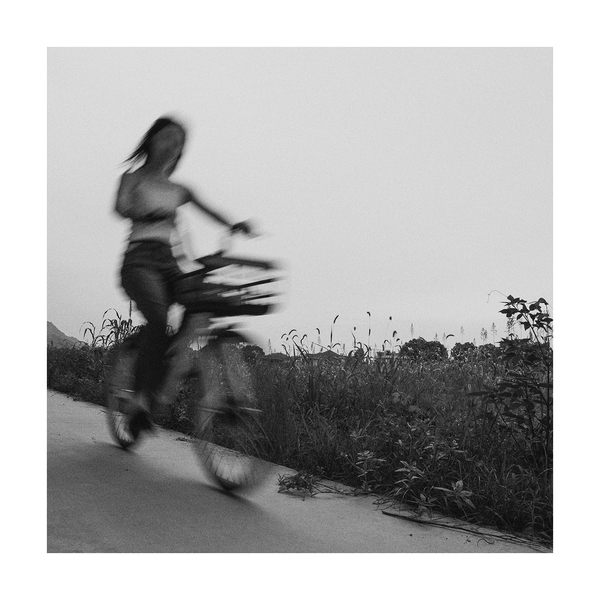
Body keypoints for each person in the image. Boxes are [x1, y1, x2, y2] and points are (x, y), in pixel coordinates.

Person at [114, 116, 251, 437]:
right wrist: (143, 212)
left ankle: (166, 372)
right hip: (140, 261)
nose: (172, 145)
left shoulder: (179, 190)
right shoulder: (131, 178)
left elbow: (209, 209)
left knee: (203, 305)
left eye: (178, 142)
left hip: (170, 264)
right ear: (151, 140)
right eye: (167, 137)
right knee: (158, 317)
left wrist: (233, 224)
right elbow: (120, 207)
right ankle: (140, 401)